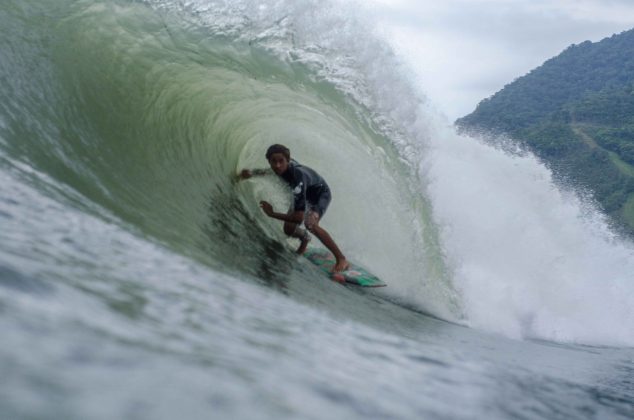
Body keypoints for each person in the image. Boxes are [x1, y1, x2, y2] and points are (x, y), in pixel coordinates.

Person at [238, 144, 350, 272]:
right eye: (273, 161)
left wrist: (272, 213)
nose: (277, 165)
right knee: (288, 229)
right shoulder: (280, 169)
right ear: (268, 161)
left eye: (281, 161)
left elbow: (298, 218)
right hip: (302, 193)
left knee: (310, 224)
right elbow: (267, 171)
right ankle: (305, 238)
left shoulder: (297, 179)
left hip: (320, 193)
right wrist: (251, 173)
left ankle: (341, 258)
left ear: (288, 160)